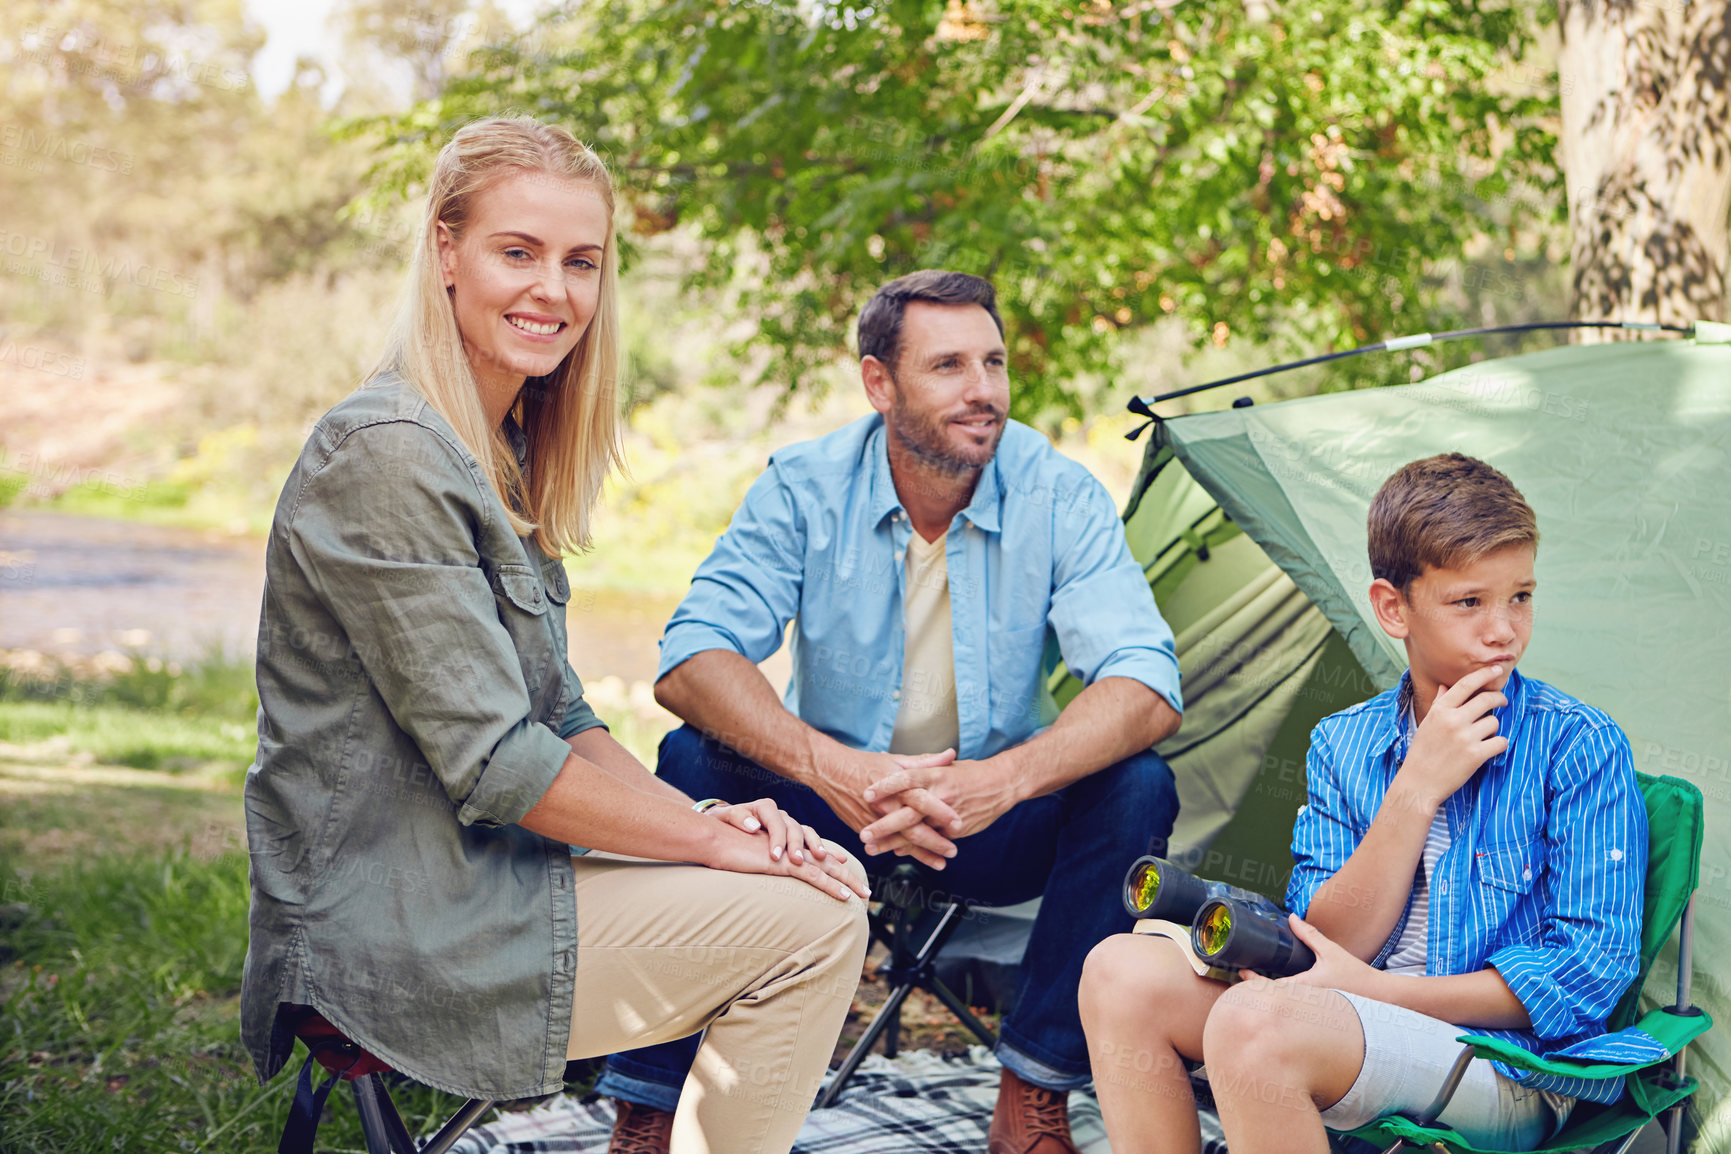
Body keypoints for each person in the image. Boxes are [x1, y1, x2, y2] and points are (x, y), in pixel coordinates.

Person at [239, 117, 871, 1154]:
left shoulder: (497, 451)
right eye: (517, 252)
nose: (556, 291)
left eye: (583, 261)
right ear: (447, 253)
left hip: (492, 879)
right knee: (811, 922)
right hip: (403, 925)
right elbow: (499, 764)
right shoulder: (387, 455)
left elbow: (562, 717)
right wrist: (712, 842)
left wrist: (717, 817)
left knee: (810, 879)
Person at [597, 270, 1186, 1154]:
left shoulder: (1056, 491)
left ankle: (1032, 1097)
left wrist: (1000, 781)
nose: (982, 389)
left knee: (1136, 787)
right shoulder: (802, 486)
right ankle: (649, 1102)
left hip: (984, 817)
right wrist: (830, 769)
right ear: (880, 384)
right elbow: (691, 657)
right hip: (821, 816)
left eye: (992, 362)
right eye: (947, 365)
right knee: (690, 760)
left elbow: (1145, 681)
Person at [1078, 453, 1648, 1154]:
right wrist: (1413, 789)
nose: (1502, 629)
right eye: (1469, 602)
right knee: (1118, 972)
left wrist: (1377, 994)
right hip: (1346, 1019)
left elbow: (1587, 974)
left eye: (1520, 596)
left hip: (1508, 1064)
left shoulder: (1579, 747)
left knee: (1255, 1023)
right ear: (1391, 608)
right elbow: (1332, 943)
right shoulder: (1342, 743)